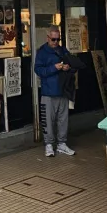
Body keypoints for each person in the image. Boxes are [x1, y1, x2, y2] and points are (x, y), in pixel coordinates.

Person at [34, 26, 76, 157]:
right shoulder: (42, 52)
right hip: (48, 91)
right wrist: (54, 68)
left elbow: (73, 64)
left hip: (63, 90)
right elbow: (38, 70)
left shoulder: (63, 50)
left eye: (58, 39)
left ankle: (62, 144)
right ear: (47, 38)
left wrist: (68, 67)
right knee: (48, 120)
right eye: (53, 39)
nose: (56, 42)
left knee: (63, 119)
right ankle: (48, 144)